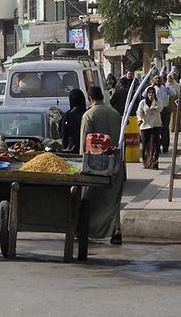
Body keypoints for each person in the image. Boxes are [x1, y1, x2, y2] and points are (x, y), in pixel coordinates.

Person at [80, 85, 125, 244]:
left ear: (89, 98)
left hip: (95, 164)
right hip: (116, 162)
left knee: (91, 198)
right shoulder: (115, 114)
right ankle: (116, 230)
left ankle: (90, 230)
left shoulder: (88, 116)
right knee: (113, 199)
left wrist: (82, 166)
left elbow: (84, 145)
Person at [137, 86, 162, 170]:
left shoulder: (158, 102)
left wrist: (154, 107)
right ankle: (146, 163)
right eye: (149, 93)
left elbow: (159, 109)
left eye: (152, 93)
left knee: (155, 145)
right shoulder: (142, 103)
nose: (151, 95)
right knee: (145, 145)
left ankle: (155, 163)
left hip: (155, 125)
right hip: (145, 126)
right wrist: (140, 119)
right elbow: (139, 112)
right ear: (147, 94)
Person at [154, 74, 179, 153]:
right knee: (156, 130)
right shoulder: (152, 88)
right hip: (155, 111)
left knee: (165, 129)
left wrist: (166, 85)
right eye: (156, 78)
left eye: (159, 78)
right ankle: (157, 146)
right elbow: (144, 94)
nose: (158, 80)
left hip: (164, 110)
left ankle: (165, 147)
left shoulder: (165, 87)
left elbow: (173, 93)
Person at [62, 89, 87, 153]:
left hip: (72, 151)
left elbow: (65, 134)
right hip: (87, 150)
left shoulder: (68, 115)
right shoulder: (87, 114)